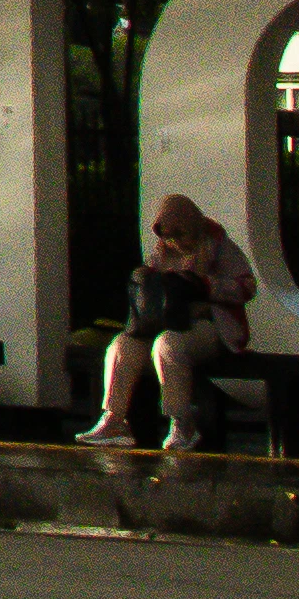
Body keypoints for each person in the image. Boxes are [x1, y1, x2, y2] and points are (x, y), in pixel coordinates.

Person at [76, 192, 260, 451]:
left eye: (180, 235)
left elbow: (247, 287)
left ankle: (181, 422)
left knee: (169, 346)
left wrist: (206, 285)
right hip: (165, 321)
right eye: (168, 237)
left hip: (208, 325)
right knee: (122, 345)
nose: (174, 243)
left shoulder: (218, 246)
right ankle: (113, 419)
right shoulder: (161, 251)